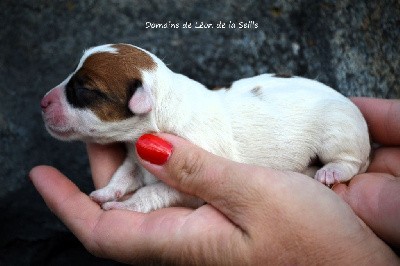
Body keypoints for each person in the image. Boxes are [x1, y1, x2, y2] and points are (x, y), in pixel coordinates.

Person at [30, 97, 400, 264]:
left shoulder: (193, 127)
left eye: (85, 94)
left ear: (143, 101)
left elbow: (181, 188)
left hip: (326, 117)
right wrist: (117, 188)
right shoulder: (153, 125)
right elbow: (134, 159)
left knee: (334, 123)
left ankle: (347, 161)